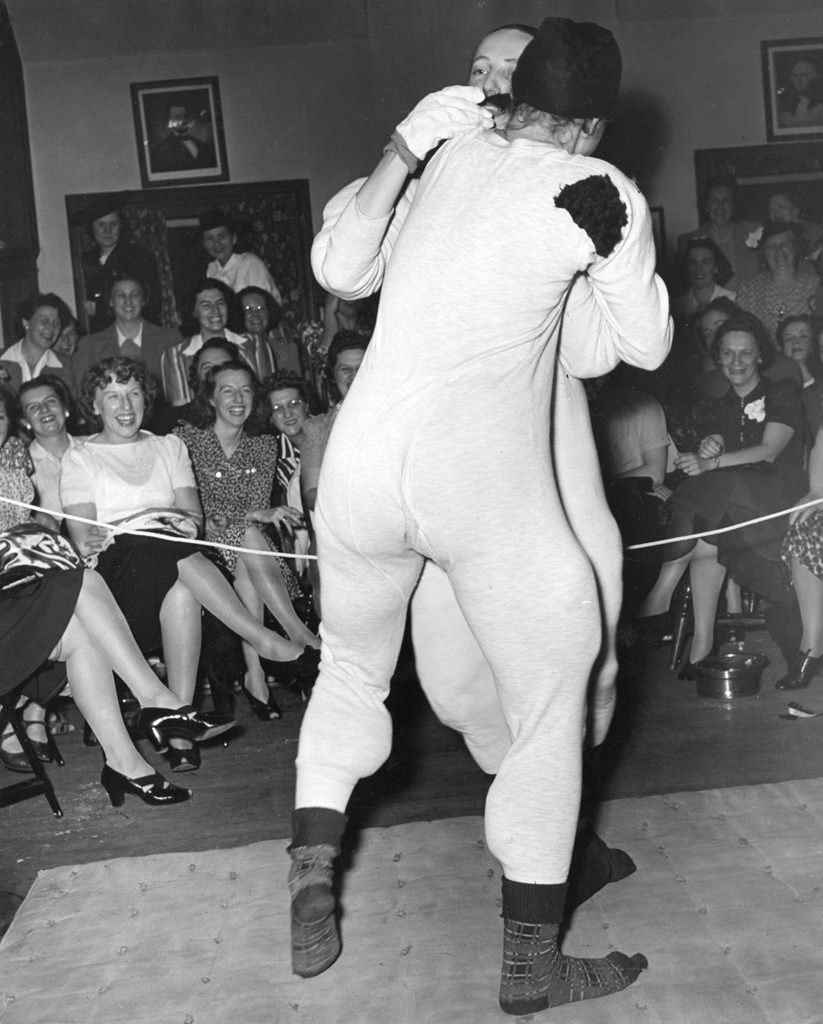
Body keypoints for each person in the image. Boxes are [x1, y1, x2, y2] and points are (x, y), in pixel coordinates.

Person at [289, 18, 671, 1016]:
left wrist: (406, 147)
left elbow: (343, 266)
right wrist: (620, 236)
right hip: (477, 481)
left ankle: (311, 860)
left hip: (363, 468)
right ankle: (531, 965)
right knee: (554, 695)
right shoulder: (593, 189)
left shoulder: (445, 152)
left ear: (518, 93)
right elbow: (643, 343)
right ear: (588, 123)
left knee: (351, 666)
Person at [60, 357, 318, 771]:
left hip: (170, 562)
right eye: (112, 396)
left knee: (179, 587)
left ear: (146, 398)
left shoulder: (169, 446)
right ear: (95, 405)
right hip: (113, 590)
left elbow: (192, 522)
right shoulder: (80, 458)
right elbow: (86, 538)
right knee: (154, 545)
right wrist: (149, 521)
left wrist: (150, 524)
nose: (125, 405)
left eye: (133, 393)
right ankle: (264, 639)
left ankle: (180, 729)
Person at [639, 313, 805, 675]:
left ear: (760, 355)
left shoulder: (783, 393)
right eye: (728, 354)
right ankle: (702, 645)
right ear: (718, 358)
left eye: (745, 353)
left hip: (779, 497)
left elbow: (769, 452)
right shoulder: (718, 405)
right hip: (730, 503)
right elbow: (718, 453)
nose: (736, 362)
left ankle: (660, 593)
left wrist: (712, 464)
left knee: (706, 488)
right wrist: (711, 445)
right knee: (708, 530)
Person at [174, 360, 319, 719]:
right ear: (210, 398)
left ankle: (256, 673)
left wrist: (246, 516)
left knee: (247, 539)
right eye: (228, 389)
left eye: (246, 390)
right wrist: (243, 517)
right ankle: (297, 632)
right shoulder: (187, 439)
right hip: (201, 546)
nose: (238, 398)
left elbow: (255, 508)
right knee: (249, 534)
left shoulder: (262, 445)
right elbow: (192, 510)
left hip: (245, 547)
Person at [71, 276, 182, 409]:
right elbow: (81, 396)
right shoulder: (89, 345)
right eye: (120, 295)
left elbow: (181, 393)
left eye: (134, 295)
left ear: (143, 300)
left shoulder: (170, 339)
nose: (128, 301)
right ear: (111, 302)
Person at [75, 197, 161, 332]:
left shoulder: (140, 256)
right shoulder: (86, 260)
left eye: (113, 224)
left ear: (121, 226)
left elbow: (150, 301)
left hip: (135, 331)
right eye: (101, 225)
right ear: (92, 228)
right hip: (99, 334)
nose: (107, 231)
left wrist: (100, 307)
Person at [160, 279, 250, 408]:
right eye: (206, 305)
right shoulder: (176, 355)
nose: (216, 310)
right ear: (194, 312)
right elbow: (180, 409)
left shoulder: (252, 345)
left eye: (220, 303)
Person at [736, 220, 820, 343]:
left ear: (795, 248)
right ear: (764, 253)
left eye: (784, 244)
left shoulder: (815, 285)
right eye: (771, 246)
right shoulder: (749, 289)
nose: (778, 251)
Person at [18, 375, 82, 531]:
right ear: (25, 421)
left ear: (65, 408)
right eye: (33, 407)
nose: (44, 410)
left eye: (51, 401)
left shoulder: (95, 448)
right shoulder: (20, 467)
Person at [677, 178, 759, 290]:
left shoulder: (752, 232)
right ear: (706, 206)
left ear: (734, 205)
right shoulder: (689, 241)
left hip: (748, 305)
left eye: (726, 200)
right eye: (714, 200)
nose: (720, 206)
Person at [238, 286, 314, 394]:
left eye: (261, 308)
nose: (256, 314)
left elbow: (297, 391)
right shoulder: (234, 349)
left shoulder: (287, 349)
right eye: (248, 309)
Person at [199, 209, 282, 304]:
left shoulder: (249, 263)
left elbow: (264, 305)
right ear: (203, 244)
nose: (216, 244)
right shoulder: (211, 269)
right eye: (209, 239)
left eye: (222, 236)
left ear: (233, 238)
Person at [0, 293, 74, 393]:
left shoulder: (66, 365)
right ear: (26, 323)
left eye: (56, 323)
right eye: (44, 321)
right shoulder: (2, 360)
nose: (51, 328)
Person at [671, 236, 735, 318]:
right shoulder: (678, 306)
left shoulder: (732, 300)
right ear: (686, 267)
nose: (699, 268)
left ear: (716, 267)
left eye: (705, 262)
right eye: (692, 262)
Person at [149, 103, 216, 173]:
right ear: (168, 120)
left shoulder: (203, 146)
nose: (183, 120)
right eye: (178, 117)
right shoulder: (160, 151)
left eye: (186, 116)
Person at [778, 58, 823, 128]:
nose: (798, 81)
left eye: (803, 75)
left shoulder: (820, 105)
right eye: (795, 76)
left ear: (814, 77)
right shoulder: (786, 103)